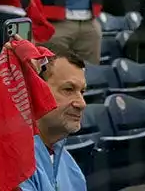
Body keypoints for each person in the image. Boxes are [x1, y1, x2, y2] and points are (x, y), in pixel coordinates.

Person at [19, 42, 88, 191]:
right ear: (33, 90)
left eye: (82, 92)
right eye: (68, 89)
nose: (81, 104)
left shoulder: (71, 168)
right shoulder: (14, 164)